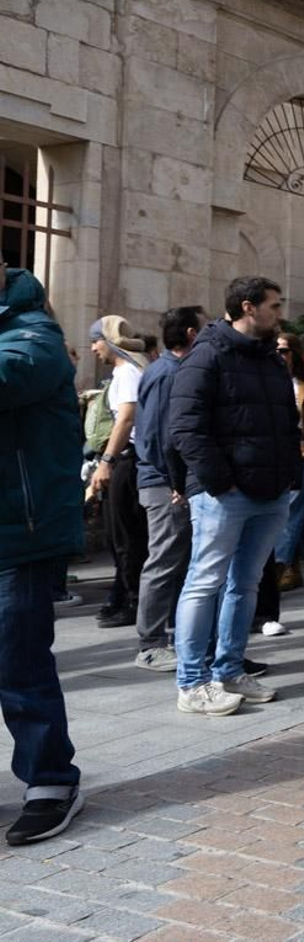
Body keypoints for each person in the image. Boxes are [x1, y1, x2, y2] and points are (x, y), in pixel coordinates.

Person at [166, 276, 302, 717]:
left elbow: (286, 422)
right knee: (204, 583)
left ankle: (228, 669)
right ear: (248, 307)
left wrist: (288, 476)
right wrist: (219, 482)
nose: (279, 315)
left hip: (271, 491)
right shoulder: (207, 356)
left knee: (245, 585)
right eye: (273, 306)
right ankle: (191, 682)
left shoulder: (268, 360)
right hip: (225, 495)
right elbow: (184, 428)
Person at [0, 264, 87, 845]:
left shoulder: (34, 332)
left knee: (17, 662)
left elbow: (10, 377)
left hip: (18, 534)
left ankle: (51, 780)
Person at [131, 306, 207, 672]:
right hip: (164, 484)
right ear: (191, 334)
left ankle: (171, 633)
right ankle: (150, 643)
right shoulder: (166, 374)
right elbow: (160, 436)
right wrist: (174, 482)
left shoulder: (172, 371)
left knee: (177, 560)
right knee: (162, 561)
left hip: (171, 481)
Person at [87, 315, 148, 629]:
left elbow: (126, 419)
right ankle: (127, 597)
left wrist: (107, 461)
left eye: (96, 339)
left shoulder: (126, 372)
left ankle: (134, 602)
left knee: (125, 537)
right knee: (124, 536)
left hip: (127, 462)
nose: (93, 347)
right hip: (128, 461)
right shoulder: (130, 369)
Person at [270, 333, 304, 595]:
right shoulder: (266, 377)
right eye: (276, 350)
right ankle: (289, 565)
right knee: (280, 513)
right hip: (273, 453)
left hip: (301, 452)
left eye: (284, 350)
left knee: (293, 513)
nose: (280, 355)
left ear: (294, 353)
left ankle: (283, 565)